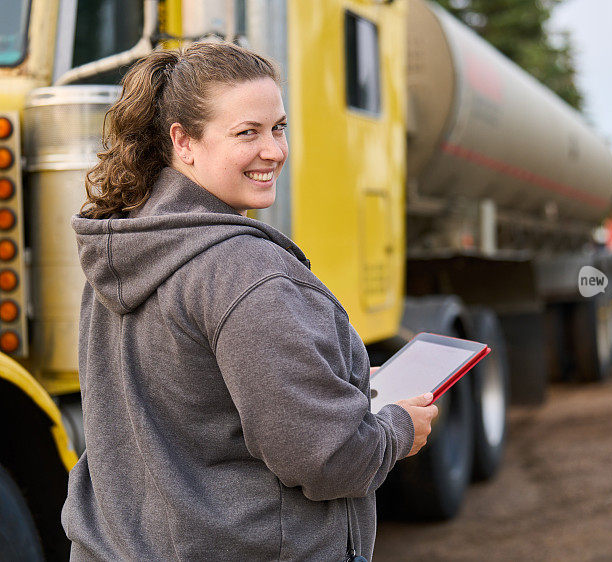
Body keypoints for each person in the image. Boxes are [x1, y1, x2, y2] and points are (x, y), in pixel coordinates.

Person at [63, 42, 438, 561]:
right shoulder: (246, 275)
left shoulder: (123, 249)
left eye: (279, 128)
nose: (275, 150)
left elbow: (194, 398)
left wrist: (329, 383)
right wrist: (398, 428)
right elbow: (327, 459)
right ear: (183, 141)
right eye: (248, 133)